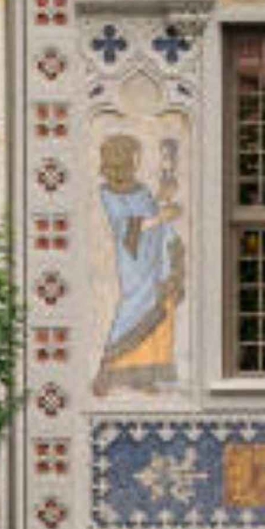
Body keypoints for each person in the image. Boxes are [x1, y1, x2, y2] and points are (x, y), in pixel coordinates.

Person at [94, 133, 186, 395]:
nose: (137, 161)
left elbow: (150, 213)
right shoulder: (109, 193)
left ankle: (144, 374)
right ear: (120, 159)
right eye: (134, 156)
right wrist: (162, 217)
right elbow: (127, 229)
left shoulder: (141, 189)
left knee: (159, 312)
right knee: (133, 309)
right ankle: (108, 370)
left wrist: (162, 200)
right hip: (135, 264)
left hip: (155, 259)